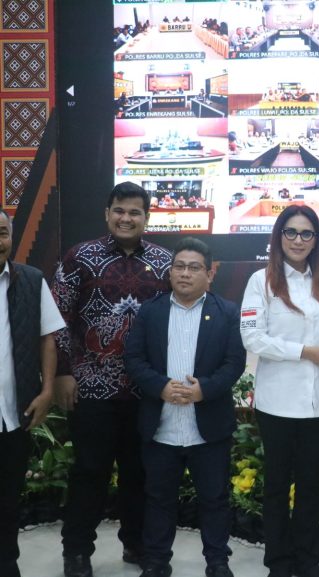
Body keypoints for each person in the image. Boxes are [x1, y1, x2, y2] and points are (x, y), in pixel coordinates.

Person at [52, 182, 173, 577]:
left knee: (140, 473)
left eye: (135, 212)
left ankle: (137, 545)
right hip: (91, 387)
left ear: (147, 217)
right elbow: (57, 319)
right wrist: (63, 373)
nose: (126, 218)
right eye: (119, 210)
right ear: (107, 214)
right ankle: (77, 551)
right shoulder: (79, 257)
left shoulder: (165, 263)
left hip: (147, 390)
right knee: (90, 471)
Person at [124, 238, 246, 577]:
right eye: (179, 266)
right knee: (158, 499)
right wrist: (160, 387)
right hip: (161, 426)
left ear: (210, 274)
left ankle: (217, 562)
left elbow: (234, 362)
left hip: (208, 428)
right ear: (170, 271)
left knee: (214, 499)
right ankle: (156, 561)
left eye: (194, 268)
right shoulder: (151, 311)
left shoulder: (227, 313)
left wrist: (204, 390)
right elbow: (134, 359)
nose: (185, 273)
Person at [240, 205, 319, 577]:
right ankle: (279, 562)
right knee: (277, 484)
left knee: (310, 484)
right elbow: (252, 338)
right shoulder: (261, 281)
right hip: (278, 403)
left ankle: (307, 559)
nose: (298, 240)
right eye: (291, 232)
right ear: (279, 236)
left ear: (316, 240)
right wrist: (304, 352)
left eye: (306, 233)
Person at [0, 210, 65, 577]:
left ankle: (7, 564)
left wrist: (47, 390)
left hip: (14, 413)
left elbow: (47, 338)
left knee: (8, 497)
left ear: (11, 236)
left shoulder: (30, 280)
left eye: (2, 233)